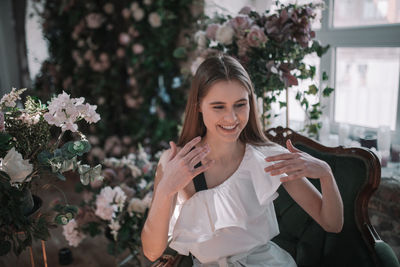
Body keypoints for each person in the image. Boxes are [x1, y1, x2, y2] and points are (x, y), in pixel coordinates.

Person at [141, 55, 343, 267]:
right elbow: (152, 252)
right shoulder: (177, 162)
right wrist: (165, 190)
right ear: (198, 105)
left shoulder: (267, 157)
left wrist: (326, 174)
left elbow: (332, 224)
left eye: (240, 104)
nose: (232, 118)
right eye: (219, 107)